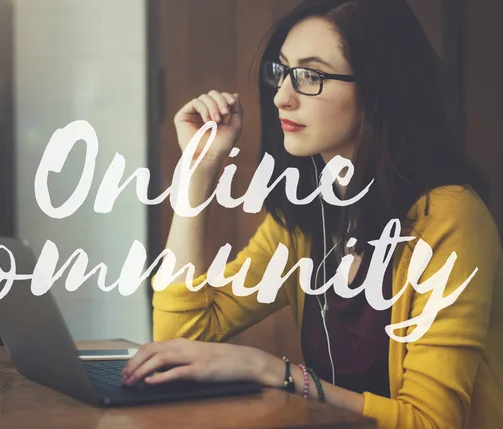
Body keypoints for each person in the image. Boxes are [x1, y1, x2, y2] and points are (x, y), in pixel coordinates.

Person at [121, 0, 503, 427]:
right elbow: (178, 342)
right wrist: (198, 169)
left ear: (380, 88)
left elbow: (432, 422)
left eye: (310, 76)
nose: (282, 96)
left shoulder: (449, 218)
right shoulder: (307, 215)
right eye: (281, 72)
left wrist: (269, 371)